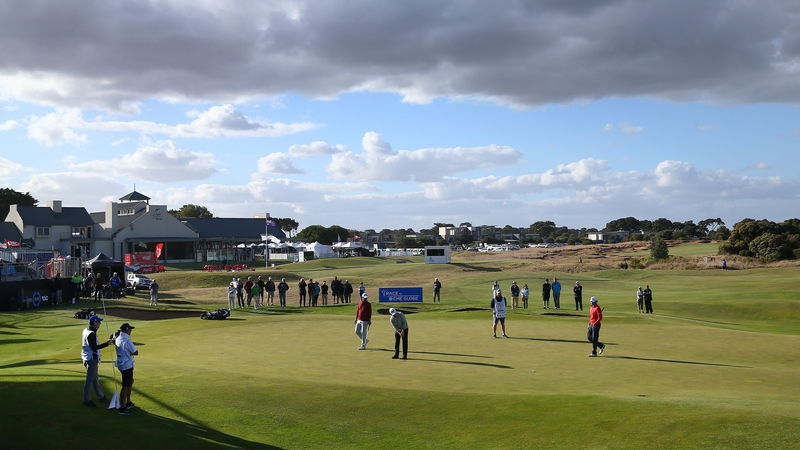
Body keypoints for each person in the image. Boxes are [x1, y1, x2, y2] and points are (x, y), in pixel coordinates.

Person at [81, 315, 112, 407]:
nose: (100, 323)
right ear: (94, 322)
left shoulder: (85, 330)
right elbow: (94, 348)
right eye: (99, 322)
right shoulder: (91, 334)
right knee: (90, 379)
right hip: (91, 359)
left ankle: (101, 396)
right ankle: (86, 400)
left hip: (86, 357)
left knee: (94, 378)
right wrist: (107, 344)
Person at [114, 323, 139, 415]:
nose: (130, 331)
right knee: (126, 385)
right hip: (126, 365)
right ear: (126, 330)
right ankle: (123, 407)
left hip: (121, 364)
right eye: (130, 330)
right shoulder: (127, 341)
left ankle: (128, 402)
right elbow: (135, 352)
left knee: (130, 381)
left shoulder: (117, 339)